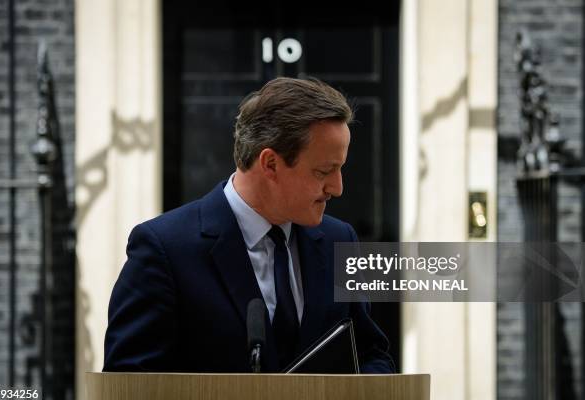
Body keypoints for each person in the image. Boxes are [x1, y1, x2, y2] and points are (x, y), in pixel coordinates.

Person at [103, 77, 395, 373]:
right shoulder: (163, 249)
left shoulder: (340, 239)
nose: (338, 187)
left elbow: (372, 355)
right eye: (324, 171)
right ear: (269, 163)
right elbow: (127, 383)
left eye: (340, 168)